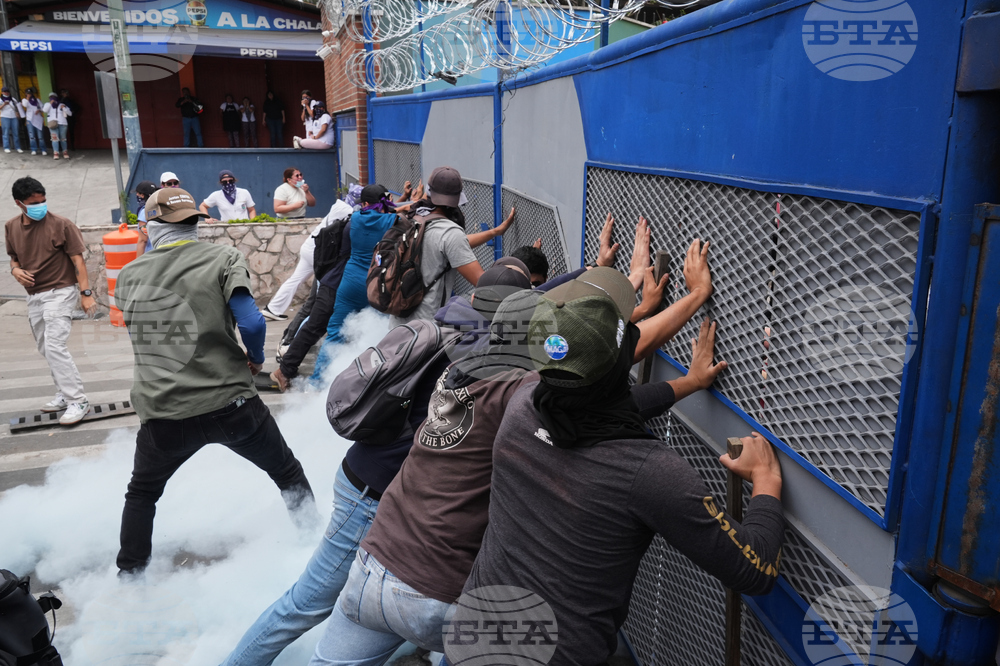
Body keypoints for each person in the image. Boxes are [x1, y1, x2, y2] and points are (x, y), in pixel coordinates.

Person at [221, 260, 534, 666]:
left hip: (369, 481)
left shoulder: (452, 320)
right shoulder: (490, 356)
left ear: (475, 297)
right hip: (375, 494)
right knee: (308, 604)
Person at [113, 187, 318, 576]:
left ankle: (130, 576)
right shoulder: (223, 257)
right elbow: (254, 321)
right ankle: (313, 551)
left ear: (151, 226)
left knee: (142, 493)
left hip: (163, 412)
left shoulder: (128, 275)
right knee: (287, 473)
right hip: (231, 405)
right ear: (195, 223)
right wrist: (255, 359)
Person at [5, 176, 96, 425]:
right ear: (19, 203)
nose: (40, 206)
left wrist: (86, 295)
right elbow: (13, 258)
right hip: (35, 295)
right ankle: (64, 394)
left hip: (61, 290)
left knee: (55, 345)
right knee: (45, 347)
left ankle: (78, 400)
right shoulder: (11, 226)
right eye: (34, 203)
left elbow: (78, 261)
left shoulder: (61, 224)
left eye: (43, 201)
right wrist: (15, 271)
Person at [387, 166, 488, 328]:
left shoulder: (410, 220)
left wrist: (496, 232)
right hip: (426, 331)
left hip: (397, 326)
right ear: (457, 201)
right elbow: (482, 282)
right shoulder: (450, 233)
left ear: (429, 193)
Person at [262, 195, 355, 322]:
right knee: (325, 284)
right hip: (319, 252)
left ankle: (272, 309)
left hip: (310, 246)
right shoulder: (347, 210)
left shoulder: (339, 206)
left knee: (295, 280)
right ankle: (318, 314)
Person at [42, 93, 71, 161]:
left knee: (63, 139)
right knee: (54, 139)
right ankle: (56, 153)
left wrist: (64, 108)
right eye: (51, 97)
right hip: (53, 124)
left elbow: (70, 113)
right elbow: (44, 110)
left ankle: (65, 152)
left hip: (62, 124)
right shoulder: (47, 104)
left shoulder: (61, 105)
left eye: (54, 97)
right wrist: (50, 103)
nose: (52, 98)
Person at [134, 181, 158, 257]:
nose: (137, 195)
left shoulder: (145, 212)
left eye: (138, 193)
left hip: (150, 256)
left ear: (143, 195)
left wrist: (138, 264)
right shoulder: (160, 208)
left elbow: (143, 240)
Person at [20, 88, 47, 156]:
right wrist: (28, 98)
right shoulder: (24, 100)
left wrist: (39, 110)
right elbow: (25, 105)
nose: (29, 94)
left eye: (30, 93)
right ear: (26, 94)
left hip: (38, 119)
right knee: (32, 136)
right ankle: (34, 149)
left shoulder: (37, 100)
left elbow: (43, 108)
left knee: (40, 136)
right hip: (30, 119)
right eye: (28, 93)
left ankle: (43, 149)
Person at [0, 86, 24, 154]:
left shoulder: (13, 99)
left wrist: (17, 113)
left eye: (7, 91)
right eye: (5, 92)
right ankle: (6, 147)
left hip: (13, 117)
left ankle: (18, 147)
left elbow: (17, 107)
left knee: (16, 132)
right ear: (2, 92)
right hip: (5, 117)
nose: (6, 93)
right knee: (6, 132)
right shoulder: (1, 99)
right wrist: (4, 104)